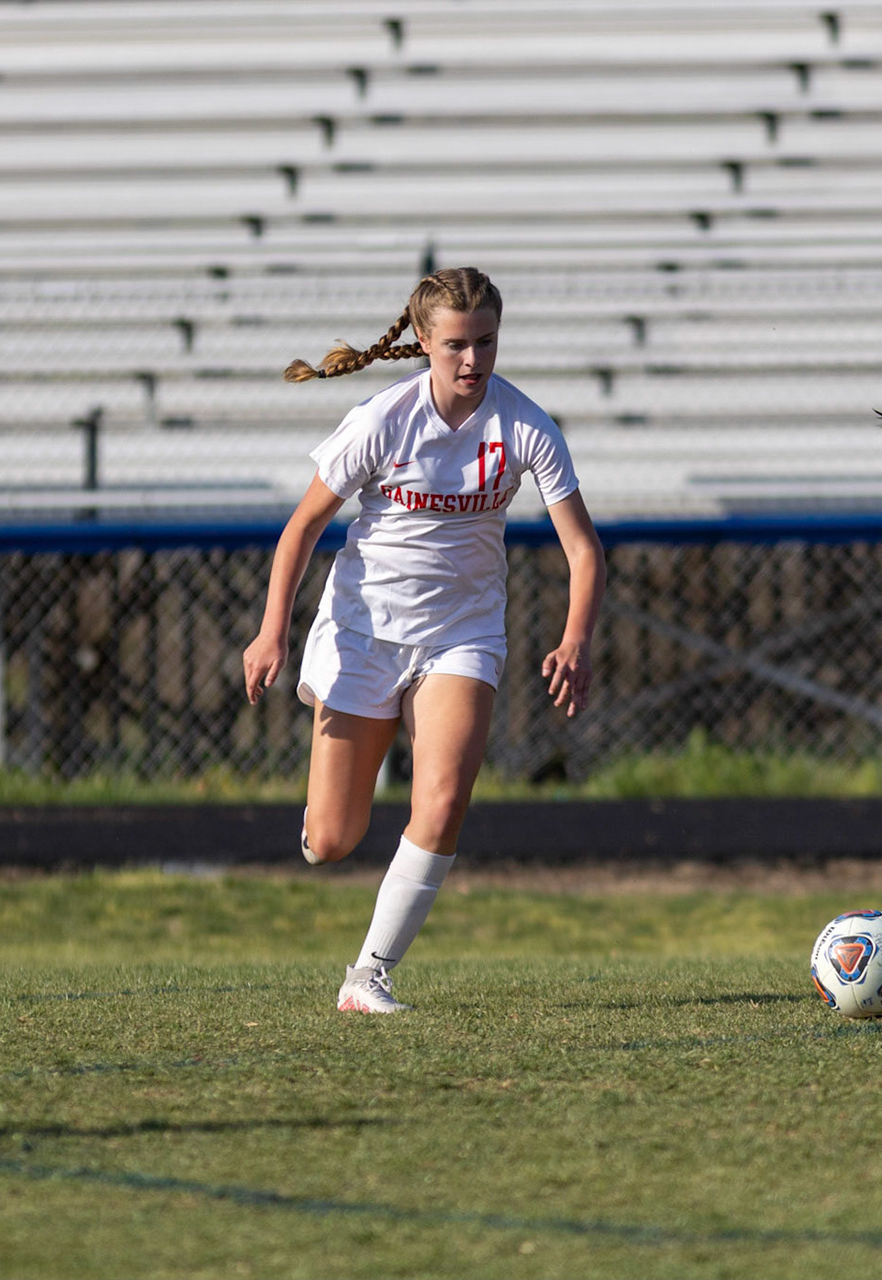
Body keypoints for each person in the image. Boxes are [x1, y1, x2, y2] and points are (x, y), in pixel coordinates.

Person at [242, 267, 605, 1014]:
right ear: (424, 341)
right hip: (364, 632)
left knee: (442, 804)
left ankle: (367, 977)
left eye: (486, 343)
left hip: (462, 634)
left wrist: (575, 639)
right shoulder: (383, 419)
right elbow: (302, 528)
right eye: (456, 346)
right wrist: (271, 630)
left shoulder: (527, 427)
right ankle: (319, 825)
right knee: (334, 840)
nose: (473, 361)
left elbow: (583, 550)